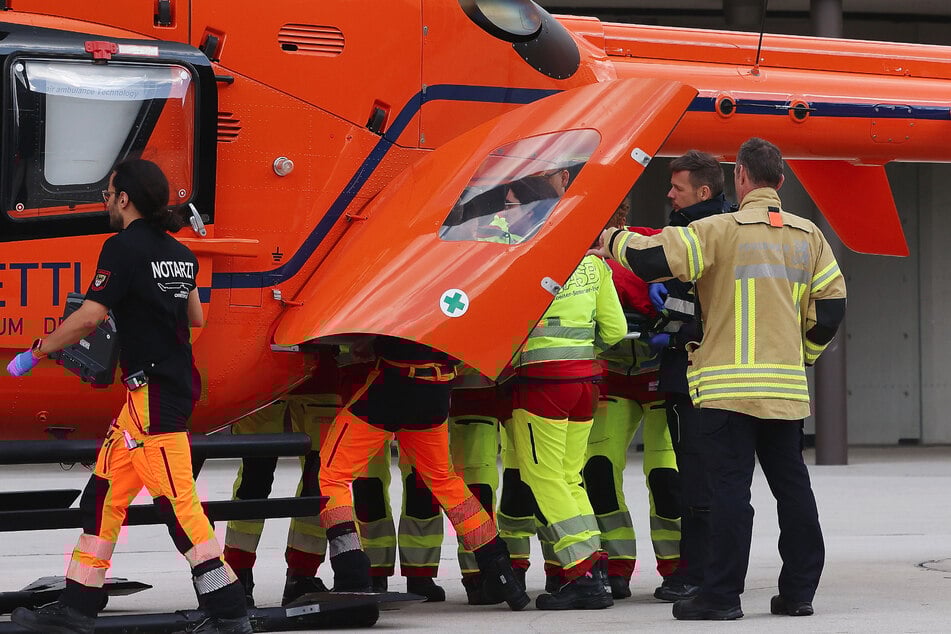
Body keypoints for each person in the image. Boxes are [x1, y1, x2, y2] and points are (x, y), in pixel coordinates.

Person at [591, 137, 846, 620]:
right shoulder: (809, 236)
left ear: (741, 177)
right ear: (780, 181)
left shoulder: (716, 230)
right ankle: (798, 594)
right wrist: (803, 357)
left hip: (727, 392)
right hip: (785, 391)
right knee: (793, 490)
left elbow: (650, 259)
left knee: (729, 493)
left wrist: (611, 238)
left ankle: (722, 597)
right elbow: (830, 311)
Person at [5, 159, 251, 634]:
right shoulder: (181, 253)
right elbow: (195, 317)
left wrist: (37, 352)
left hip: (155, 399)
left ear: (125, 198)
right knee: (102, 497)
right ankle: (78, 606)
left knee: (179, 507)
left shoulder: (121, 247)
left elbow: (89, 317)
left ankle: (229, 611)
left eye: (109, 193)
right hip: (153, 393)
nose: (106, 201)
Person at [317, 335, 529, 611]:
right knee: (444, 481)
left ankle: (351, 575)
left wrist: (368, 343)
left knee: (332, 476)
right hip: (436, 390)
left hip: (392, 385)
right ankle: (501, 572)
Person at [509, 250, 627, 610]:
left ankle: (583, 573)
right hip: (585, 382)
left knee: (544, 477)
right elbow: (617, 330)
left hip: (541, 383)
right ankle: (595, 567)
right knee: (570, 477)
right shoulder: (594, 264)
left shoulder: (526, 254)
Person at [647, 150, 735, 603]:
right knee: (724, 477)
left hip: (691, 374)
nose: (669, 194)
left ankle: (695, 572)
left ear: (702, 191)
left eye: (677, 188)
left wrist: (665, 325)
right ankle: (715, 571)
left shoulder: (693, 234)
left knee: (697, 477)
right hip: (726, 374)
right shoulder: (733, 226)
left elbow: (694, 308)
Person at [585, 200, 682, 600]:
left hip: (659, 373)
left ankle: (678, 568)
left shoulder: (647, 243)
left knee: (666, 476)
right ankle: (616, 565)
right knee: (599, 470)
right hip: (612, 374)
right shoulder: (576, 256)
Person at [224, 349, 339, 608]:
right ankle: (295, 576)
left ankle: (247, 576)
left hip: (264, 372)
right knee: (268, 478)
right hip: (294, 372)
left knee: (311, 482)